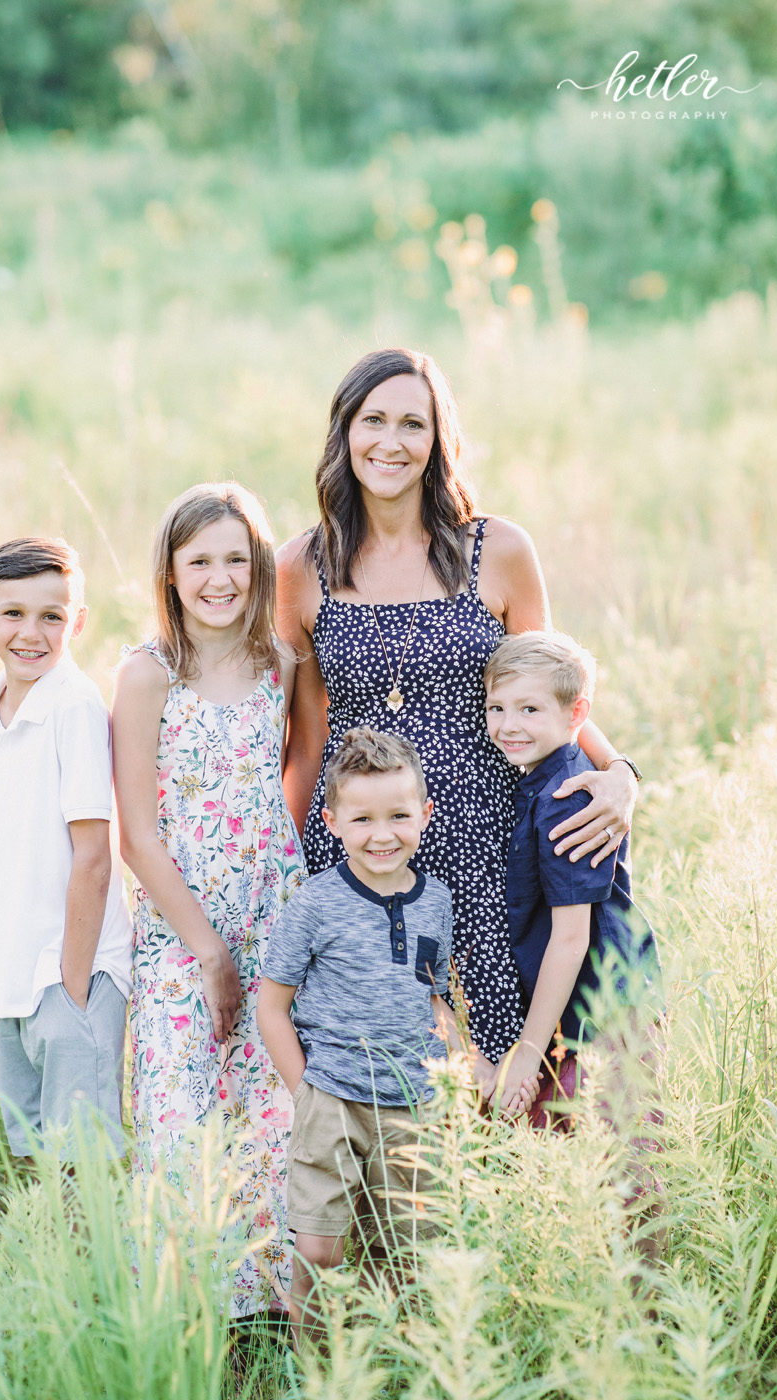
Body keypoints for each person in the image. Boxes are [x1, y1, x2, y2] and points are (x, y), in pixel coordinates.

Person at [276, 347, 642, 1084]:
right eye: (372, 420)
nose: (392, 441)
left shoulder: (498, 551)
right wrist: (294, 869)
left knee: (493, 1058)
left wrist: (621, 773)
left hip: (483, 845)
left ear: (439, 440)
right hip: (362, 848)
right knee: (377, 1067)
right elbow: (306, 740)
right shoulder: (300, 566)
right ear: (343, 432)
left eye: (414, 423)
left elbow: (550, 695)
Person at [111, 482, 305, 1319]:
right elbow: (137, 836)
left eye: (237, 558)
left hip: (273, 922)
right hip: (182, 936)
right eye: (200, 561)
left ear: (260, 566)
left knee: (272, 1114)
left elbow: (286, 785)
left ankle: (267, 1305)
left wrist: (279, 926)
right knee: (182, 1118)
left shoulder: (282, 666)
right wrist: (209, 950)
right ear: (170, 572)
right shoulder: (147, 675)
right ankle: (190, 1312)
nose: (220, 578)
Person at [258, 727, 513, 1345]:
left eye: (399, 816)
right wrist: (308, 1090)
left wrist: (465, 1063)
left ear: (424, 815)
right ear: (333, 822)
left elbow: (432, 996)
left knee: (399, 1254)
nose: (382, 834)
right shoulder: (315, 903)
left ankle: (379, 1366)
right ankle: (314, 1372)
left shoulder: (436, 902)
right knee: (319, 1248)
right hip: (333, 1100)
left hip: (414, 1103)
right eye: (362, 818)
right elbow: (272, 1005)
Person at [483, 630, 663, 1256]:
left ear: (576, 714)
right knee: (575, 1172)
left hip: (605, 1007)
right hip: (573, 1010)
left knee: (624, 1172)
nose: (509, 725)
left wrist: (529, 1052)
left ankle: (647, 1325)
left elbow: (569, 938)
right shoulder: (536, 777)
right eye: (497, 708)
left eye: (529, 710)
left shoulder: (567, 796)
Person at [0, 536, 133, 1161]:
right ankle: (52, 1263)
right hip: (14, 976)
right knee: (33, 1148)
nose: (30, 633)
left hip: (70, 972)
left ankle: (94, 1261)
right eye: (13, 613)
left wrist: (72, 987)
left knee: (81, 1160)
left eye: (52, 616)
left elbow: (93, 855)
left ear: (77, 621)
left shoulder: (75, 705)